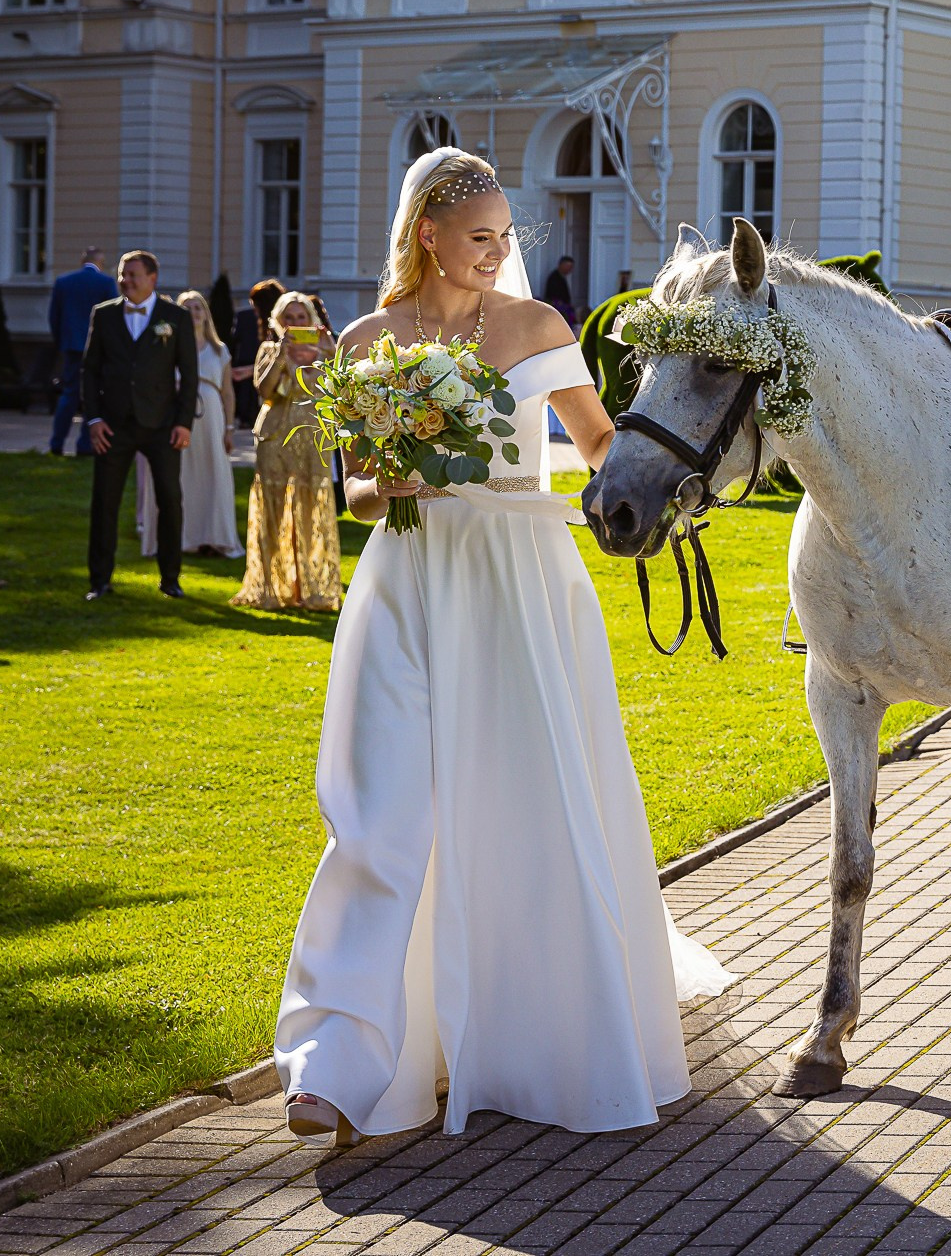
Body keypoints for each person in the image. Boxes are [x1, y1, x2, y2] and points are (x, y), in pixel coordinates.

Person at [274, 147, 727, 1147]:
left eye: (503, 237)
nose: (495, 253)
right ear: (426, 232)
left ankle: (539, 1040)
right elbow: (354, 489)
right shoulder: (367, 337)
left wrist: (680, 480)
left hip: (521, 581)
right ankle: (340, 1063)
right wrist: (400, 482)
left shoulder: (536, 325)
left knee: (529, 807)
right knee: (378, 808)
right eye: (477, 237)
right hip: (408, 583)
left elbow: (604, 445)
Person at [80, 251, 198, 599]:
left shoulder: (174, 317)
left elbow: (189, 375)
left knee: (170, 500)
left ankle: (170, 578)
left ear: (152, 278)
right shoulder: (104, 315)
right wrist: (94, 418)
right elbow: (89, 370)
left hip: (161, 425)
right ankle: (99, 581)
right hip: (114, 425)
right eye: (122, 275)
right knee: (105, 502)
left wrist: (183, 423)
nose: (125, 281)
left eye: (133, 275)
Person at [233, 292, 342, 612]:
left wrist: (328, 350)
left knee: (312, 510)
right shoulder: (268, 349)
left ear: (312, 320)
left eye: (300, 317)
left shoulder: (324, 351)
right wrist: (283, 354)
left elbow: (340, 389)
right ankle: (270, 586)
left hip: (313, 435)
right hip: (275, 434)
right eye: (289, 318)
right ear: (278, 322)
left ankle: (312, 589)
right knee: (273, 509)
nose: (295, 323)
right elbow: (265, 391)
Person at [136, 291, 243, 560]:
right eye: (187, 307)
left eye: (198, 307)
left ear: (206, 314)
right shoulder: (166, 345)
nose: (193, 312)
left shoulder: (219, 350)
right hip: (172, 414)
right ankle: (175, 536)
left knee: (211, 473)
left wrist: (229, 428)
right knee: (175, 473)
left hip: (210, 418)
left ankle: (212, 537)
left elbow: (228, 392)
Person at [49, 247, 119, 455]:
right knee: (93, 394)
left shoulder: (63, 282)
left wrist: (62, 341)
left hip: (72, 346)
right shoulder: (106, 283)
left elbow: (54, 317)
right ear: (101, 262)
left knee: (69, 393)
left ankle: (56, 443)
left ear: (82, 260)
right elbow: (114, 317)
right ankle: (85, 445)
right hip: (98, 349)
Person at [233, 278, 284, 430]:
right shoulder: (267, 331)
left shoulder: (280, 329)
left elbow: (281, 361)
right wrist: (251, 370)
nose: (254, 312)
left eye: (255, 307)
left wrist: (250, 370)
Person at [541, 254, 581, 327]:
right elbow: (554, 295)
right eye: (568, 267)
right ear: (562, 265)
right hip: (558, 309)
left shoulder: (562, 277)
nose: (570, 270)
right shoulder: (554, 278)